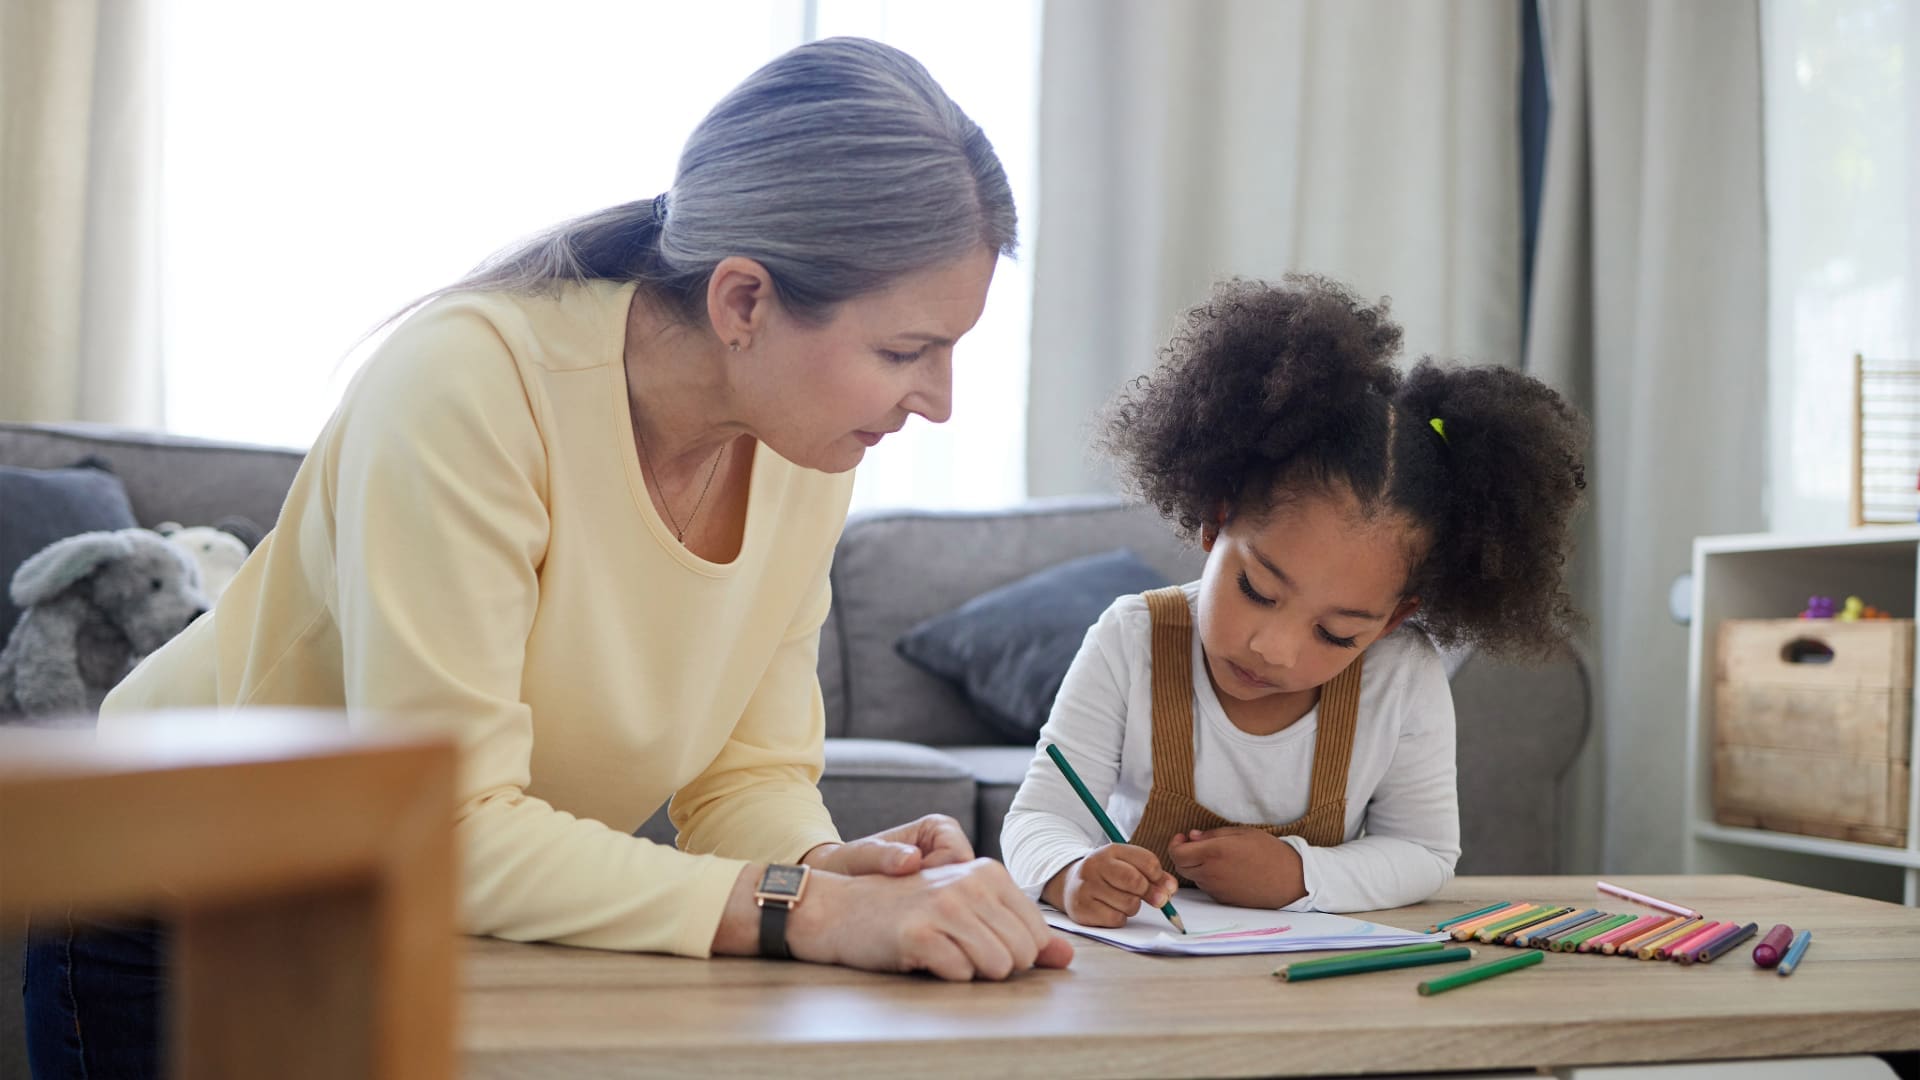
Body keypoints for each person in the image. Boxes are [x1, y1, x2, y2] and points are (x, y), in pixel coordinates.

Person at [27, 35, 1072, 1080]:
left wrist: (829, 866)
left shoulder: (803, 442)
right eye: (905, 352)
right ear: (744, 301)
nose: (937, 402)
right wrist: (809, 912)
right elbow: (450, 828)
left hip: (398, 915)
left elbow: (746, 774)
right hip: (185, 900)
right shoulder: (467, 389)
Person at [1001, 275, 1588, 927]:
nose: (1273, 649)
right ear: (1216, 519)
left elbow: (1424, 851)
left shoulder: (1400, 675)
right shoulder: (1130, 639)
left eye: (1337, 634)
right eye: (1257, 589)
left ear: (1394, 617)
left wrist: (1299, 874)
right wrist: (1068, 872)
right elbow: (1040, 817)